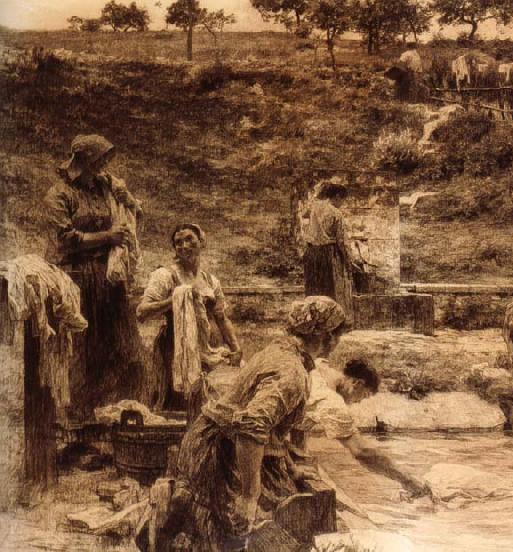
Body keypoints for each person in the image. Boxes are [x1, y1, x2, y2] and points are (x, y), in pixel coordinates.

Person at [152, 296, 347, 551]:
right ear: (327, 336)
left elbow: (272, 431)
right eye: (336, 334)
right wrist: (248, 495)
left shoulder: (281, 352)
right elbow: (251, 427)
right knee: (256, 529)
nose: (336, 342)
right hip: (216, 451)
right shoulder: (291, 372)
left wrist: (290, 467)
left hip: (219, 441)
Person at [43, 134, 147, 419]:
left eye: (105, 160)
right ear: (84, 160)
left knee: (119, 347)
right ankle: (79, 422)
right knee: (82, 351)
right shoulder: (59, 195)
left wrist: (131, 208)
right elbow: (65, 240)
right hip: (76, 278)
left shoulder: (106, 187)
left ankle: (117, 417)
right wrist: (108, 236)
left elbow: (130, 212)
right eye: (99, 159)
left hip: (109, 277)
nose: (104, 165)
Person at [136, 223, 242, 417]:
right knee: (180, 406)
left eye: (189, 239)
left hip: (205, 352)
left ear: (201, 241)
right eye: (178, 242)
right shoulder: (165, 276)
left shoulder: (210, 280)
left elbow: (221, 317)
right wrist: (177, 297)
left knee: (206, 406)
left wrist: (236, 348)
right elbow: (142, 311)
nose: (184, 246)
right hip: (176, 351)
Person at [295, 358, 431, 500]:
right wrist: (406, 479)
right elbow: (362, 452)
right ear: (357, 383)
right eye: (364, 396)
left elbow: (301, 416)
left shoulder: (321, 366)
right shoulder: (332, 403)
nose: (359, 402)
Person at [301, 179, 356, 320]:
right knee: (329, 291)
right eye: (342, 201)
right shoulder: (336, 214)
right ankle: (330, 323)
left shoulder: (315, 208)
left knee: (313, 289)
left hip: (311, 253)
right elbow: (342, 242)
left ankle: (312, 320)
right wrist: (349, 260)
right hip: (327, 254)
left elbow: (304, 216)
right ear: (337, 197)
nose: (342, 204)